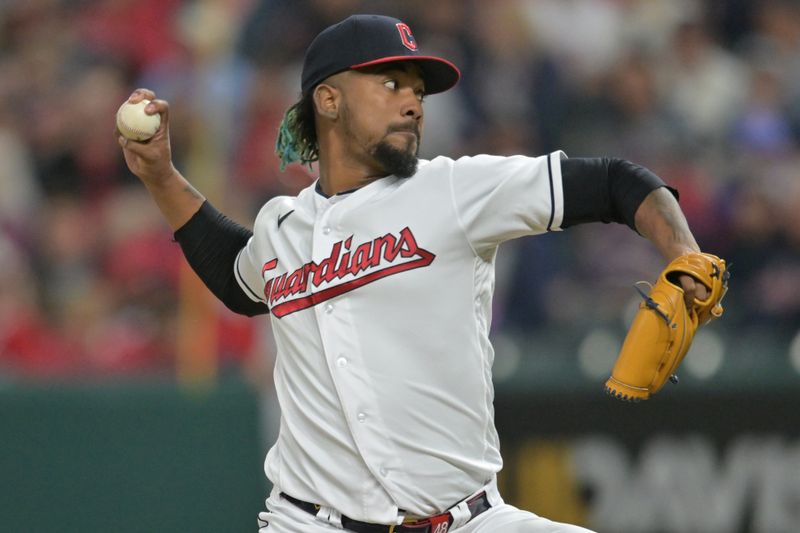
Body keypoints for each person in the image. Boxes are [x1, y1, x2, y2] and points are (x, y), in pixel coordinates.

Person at [118, 13, 710, 533]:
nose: (413, 101)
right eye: (391, 82)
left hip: (467, 520)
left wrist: (684, 256)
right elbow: (238, 279)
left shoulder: (454, 189)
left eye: (419, 90)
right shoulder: (281, 227)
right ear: (328, 100)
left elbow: (614, 181)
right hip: (308, 522)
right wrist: (161, 177)